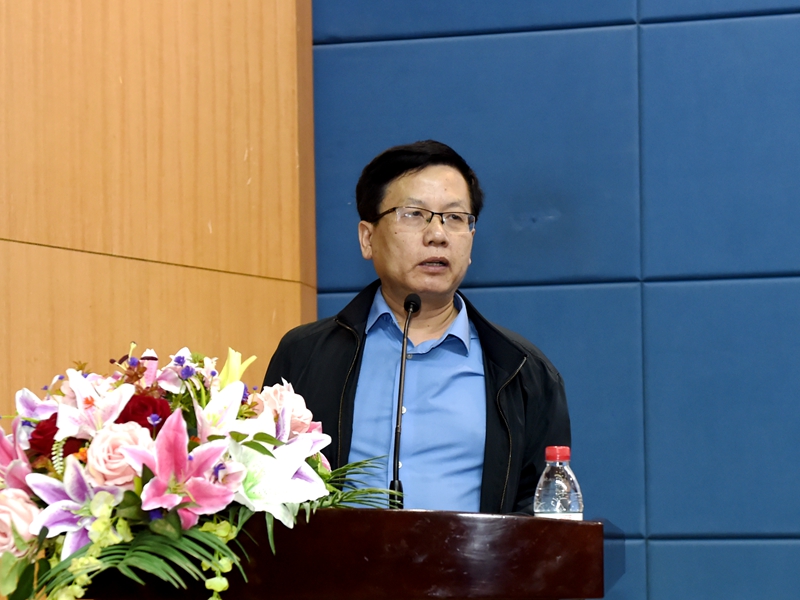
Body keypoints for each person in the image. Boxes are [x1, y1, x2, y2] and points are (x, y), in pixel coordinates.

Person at [263, 140, 570, 514]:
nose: (437, 234)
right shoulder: (304, 355)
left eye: (455, 217)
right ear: (368, 239)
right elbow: (266, 487)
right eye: (413, 214)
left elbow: (543, 512)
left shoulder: (523, 371)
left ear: (471, 241)